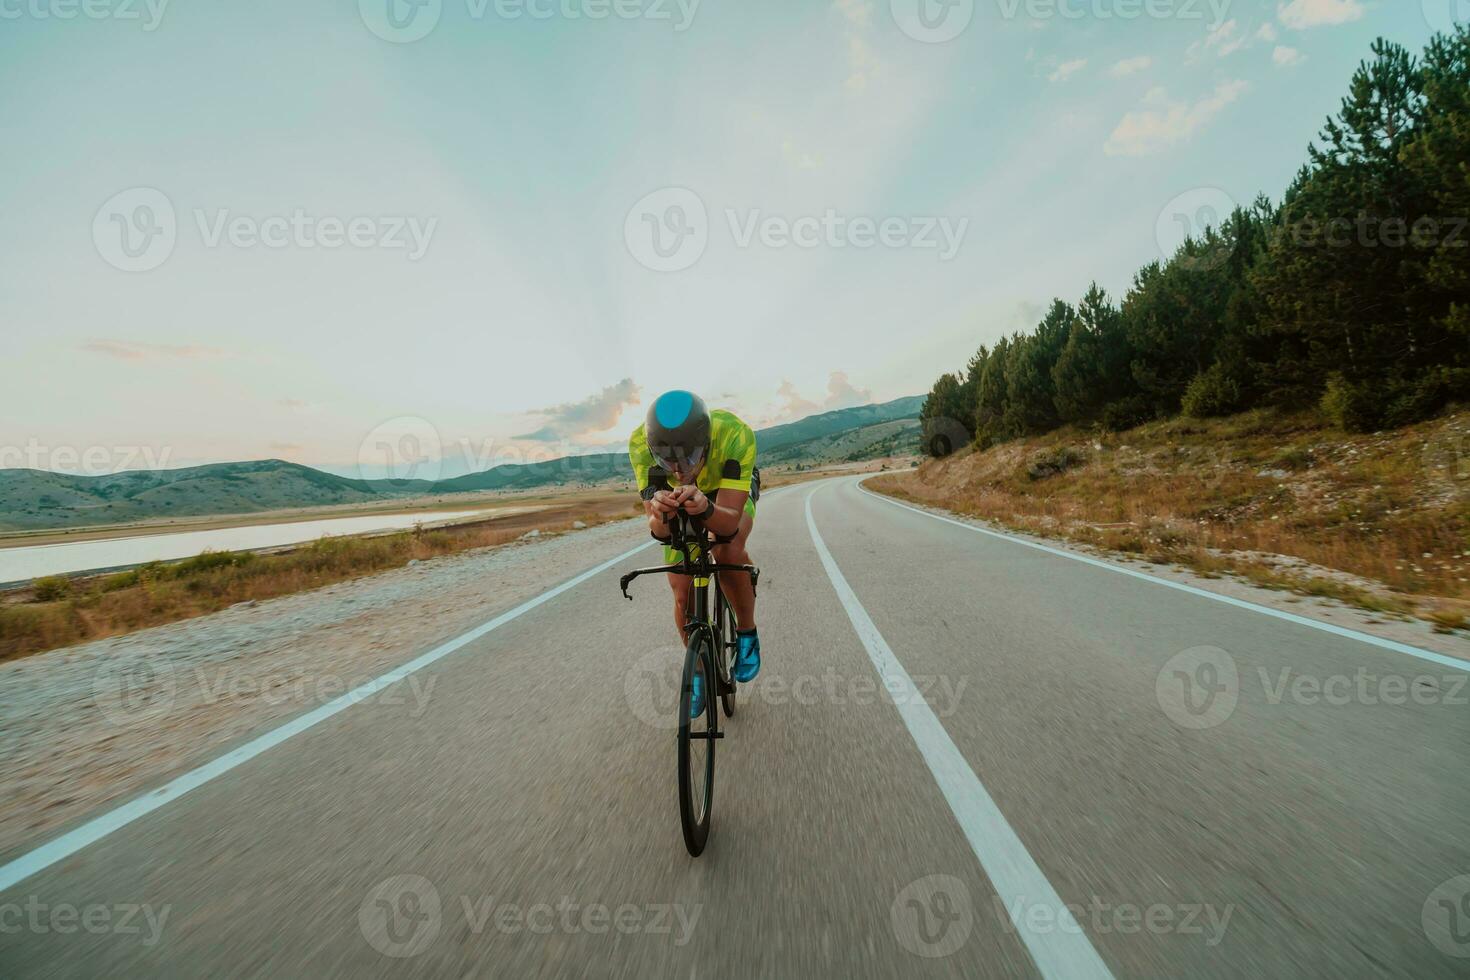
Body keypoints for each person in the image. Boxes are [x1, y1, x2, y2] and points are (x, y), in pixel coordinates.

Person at [629, 390, 761, 715]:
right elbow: (659, 532)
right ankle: (699, 669)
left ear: (706, 443)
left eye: (688, 459)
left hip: (724, 492)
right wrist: (662, 513)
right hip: (679, 501)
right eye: (666, 461)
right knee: (681, 590)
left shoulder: (734, 435)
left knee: (727, 549)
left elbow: (729, 524)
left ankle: (746, 632)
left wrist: (704, 507)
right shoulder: (639, 444)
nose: (678, 470)